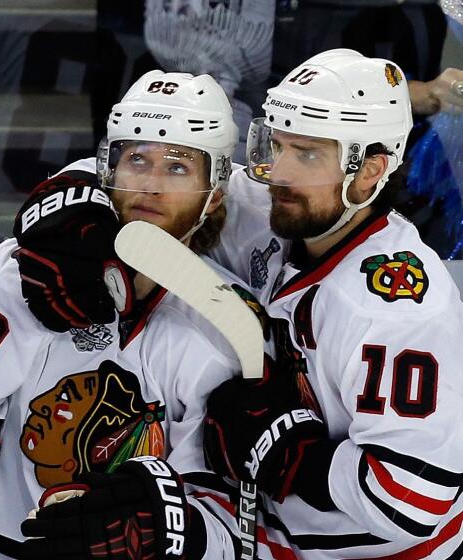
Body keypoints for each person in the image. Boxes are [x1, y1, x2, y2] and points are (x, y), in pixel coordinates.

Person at [0, 70, 262, 559]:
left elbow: (222, 513)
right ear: (107, 171)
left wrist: (167, 529)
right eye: (136, 159)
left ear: (216, 193)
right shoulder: (22, 272)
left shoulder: (228, 323)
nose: (151, 185)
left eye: (179, 167)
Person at [202, 49, 463, 558]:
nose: (278, 172)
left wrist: (288, 457)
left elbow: (412, 499)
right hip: (282, 540)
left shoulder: (394, 308)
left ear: (370, 172)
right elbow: (173, 180)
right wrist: (78, 197)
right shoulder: (294, 210)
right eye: (277, 146)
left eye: (307, 154)